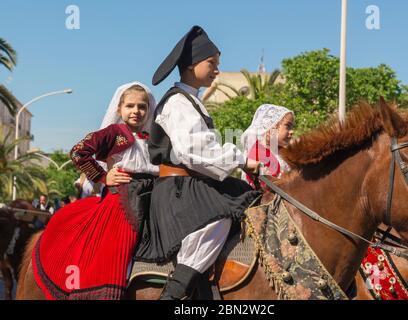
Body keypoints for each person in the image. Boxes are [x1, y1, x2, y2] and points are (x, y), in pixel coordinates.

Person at [133, 25, 261, 300]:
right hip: (178, 190)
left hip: (188, 185)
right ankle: (175, 293)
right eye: (211, 63)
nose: (216, 69)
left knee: (240, 198)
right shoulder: (178, 102)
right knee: (220, 218)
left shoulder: (190, 100)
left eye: (218, 64)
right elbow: (196, 151)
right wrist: (241, 159)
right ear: (191, 65)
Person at [31, 82, 158, 300]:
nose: (136, 111)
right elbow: (78, 152)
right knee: (120, 249)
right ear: (119, 109)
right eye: (130, 106)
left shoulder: (154, 138)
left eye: (142, 106)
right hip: (123, 201)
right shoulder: (113, 133)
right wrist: (102, 177)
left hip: (154, 196)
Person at [241, 104, 295, 188]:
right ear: (272, 126)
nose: (292, 131)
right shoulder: (258, 153)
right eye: (288, 126)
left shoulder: (282, 152)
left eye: (292, 127)